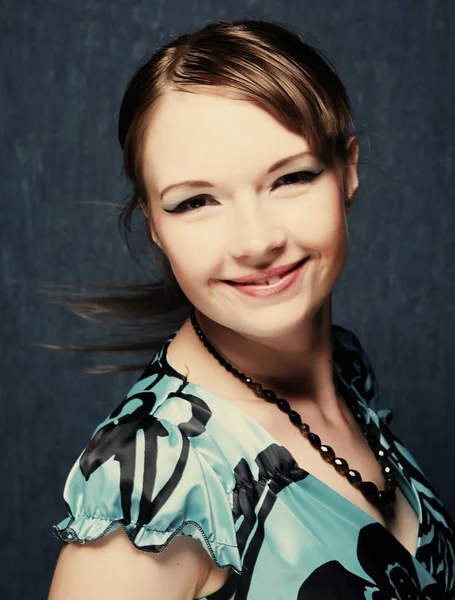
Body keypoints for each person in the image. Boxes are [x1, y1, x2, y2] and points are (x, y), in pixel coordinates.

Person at [48, 18, 455, 600]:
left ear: (348, 171)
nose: (256, 240)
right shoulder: (152, 477)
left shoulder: (343, 374)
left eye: (290, 178)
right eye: (195, 202)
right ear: (154, 227)